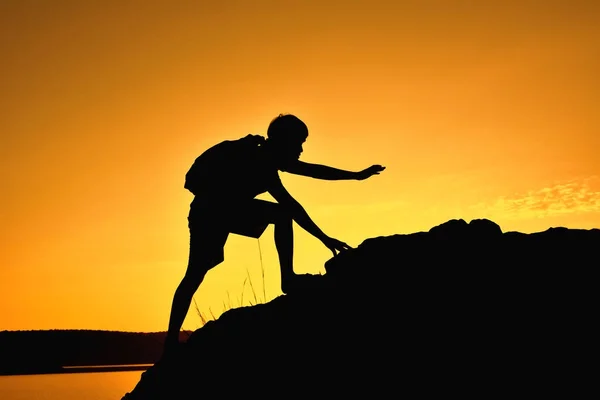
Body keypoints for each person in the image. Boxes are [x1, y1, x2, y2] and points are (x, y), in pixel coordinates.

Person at [164, 113, 385, 353]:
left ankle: (287, 278)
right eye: (299, 142)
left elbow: (313, 171)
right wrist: (323, 237)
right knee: (194, 275)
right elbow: (293, 205)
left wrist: (355, 176)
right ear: (285, 141)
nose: (301, 149)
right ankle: (171, 342)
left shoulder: (267, 157)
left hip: (220, 212)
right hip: (209, 215)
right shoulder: (258, 158)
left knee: (195, 274)